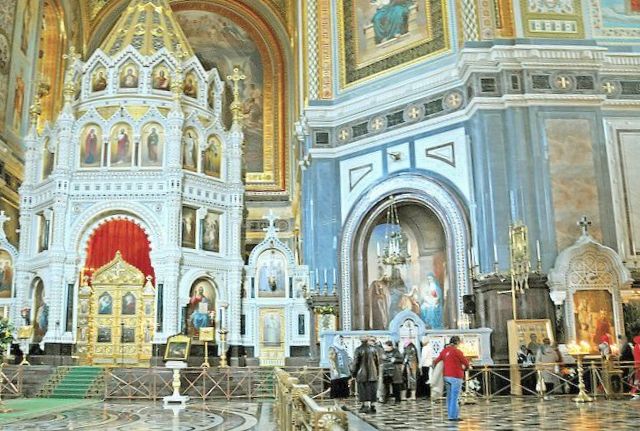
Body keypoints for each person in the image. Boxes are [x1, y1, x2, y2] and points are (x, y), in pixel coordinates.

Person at [433, 336, 469, 421]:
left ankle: (450, 415)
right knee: (455, 397)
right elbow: (465, 362)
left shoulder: (444, 351)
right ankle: (453, 417)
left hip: (446, 376)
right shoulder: (457, 351)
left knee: (449, 397)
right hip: (456, 376)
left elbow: (436, 361)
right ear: (457, 342)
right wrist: (466, 368)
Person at [352, 336, 380, 413]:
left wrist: (353, 373)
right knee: (372, 389)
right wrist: (377, 372)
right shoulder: (374, 349)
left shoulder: (358, 349)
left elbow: (355, 363)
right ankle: (373, 406)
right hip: (373, 373)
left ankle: (365, 405)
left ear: (360, 341)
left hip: (361, 374)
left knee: (363, 390)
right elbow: (377, 362)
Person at [328, 336, 352, 402]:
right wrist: (334, 369)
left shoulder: (343, 348)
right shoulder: (333, 348)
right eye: (340, 339)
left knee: (344, 390)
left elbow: (348, 359)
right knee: (337, 389)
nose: (341, 341)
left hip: (344, 372)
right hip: (337, 373)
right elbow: (331, 360)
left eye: (342, 339)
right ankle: (336, 404)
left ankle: (343, 404)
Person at [632, 335, 640, 400]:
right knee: (637, 380)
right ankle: (635, 392)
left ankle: (635, 392)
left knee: (637, 379)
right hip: (638, 365)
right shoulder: (637, 346)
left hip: (637, 365)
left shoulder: (636, 346)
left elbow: (636, 357)